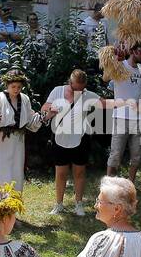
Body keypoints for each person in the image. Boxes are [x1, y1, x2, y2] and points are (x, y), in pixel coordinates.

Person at [42, 69, 101, 216]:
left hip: (81, 138)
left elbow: (107, 104)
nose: (78, 92)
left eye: (81, 89)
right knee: (61, 173)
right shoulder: (57, 91)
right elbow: (44, 107)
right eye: (75, 88)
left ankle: (79, 204)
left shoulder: (88, 95)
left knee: (79, 172)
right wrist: (51, 108)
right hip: (60, 137)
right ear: (70, 83)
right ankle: (59, 204)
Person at [0, 69, 41, 191]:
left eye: (19, 87)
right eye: (13, 86)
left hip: (18, 141)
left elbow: (30, 120)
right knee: (1, 169)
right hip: (1, 141)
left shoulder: (24, 99)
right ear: (6, 85)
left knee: (16, 171)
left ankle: (13, 203)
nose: (16, 89)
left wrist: (44, 116)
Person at [106, 43, 141, 183]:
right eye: (139, 51)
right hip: (120, 116)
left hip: (138, 119)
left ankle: (131, 183)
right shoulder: (120, 64)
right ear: (131, 51)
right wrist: (114, 60)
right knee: (116, 154)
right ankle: (109, 184)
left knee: (137, 155)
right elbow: (106, 79)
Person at [0, 2, 21, 70]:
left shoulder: (14, 23)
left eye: (9, 10)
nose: (7, 12)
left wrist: (6, 33)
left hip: (11, 58)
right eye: (5, 10)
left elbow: (18, 37)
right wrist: (11, 37)